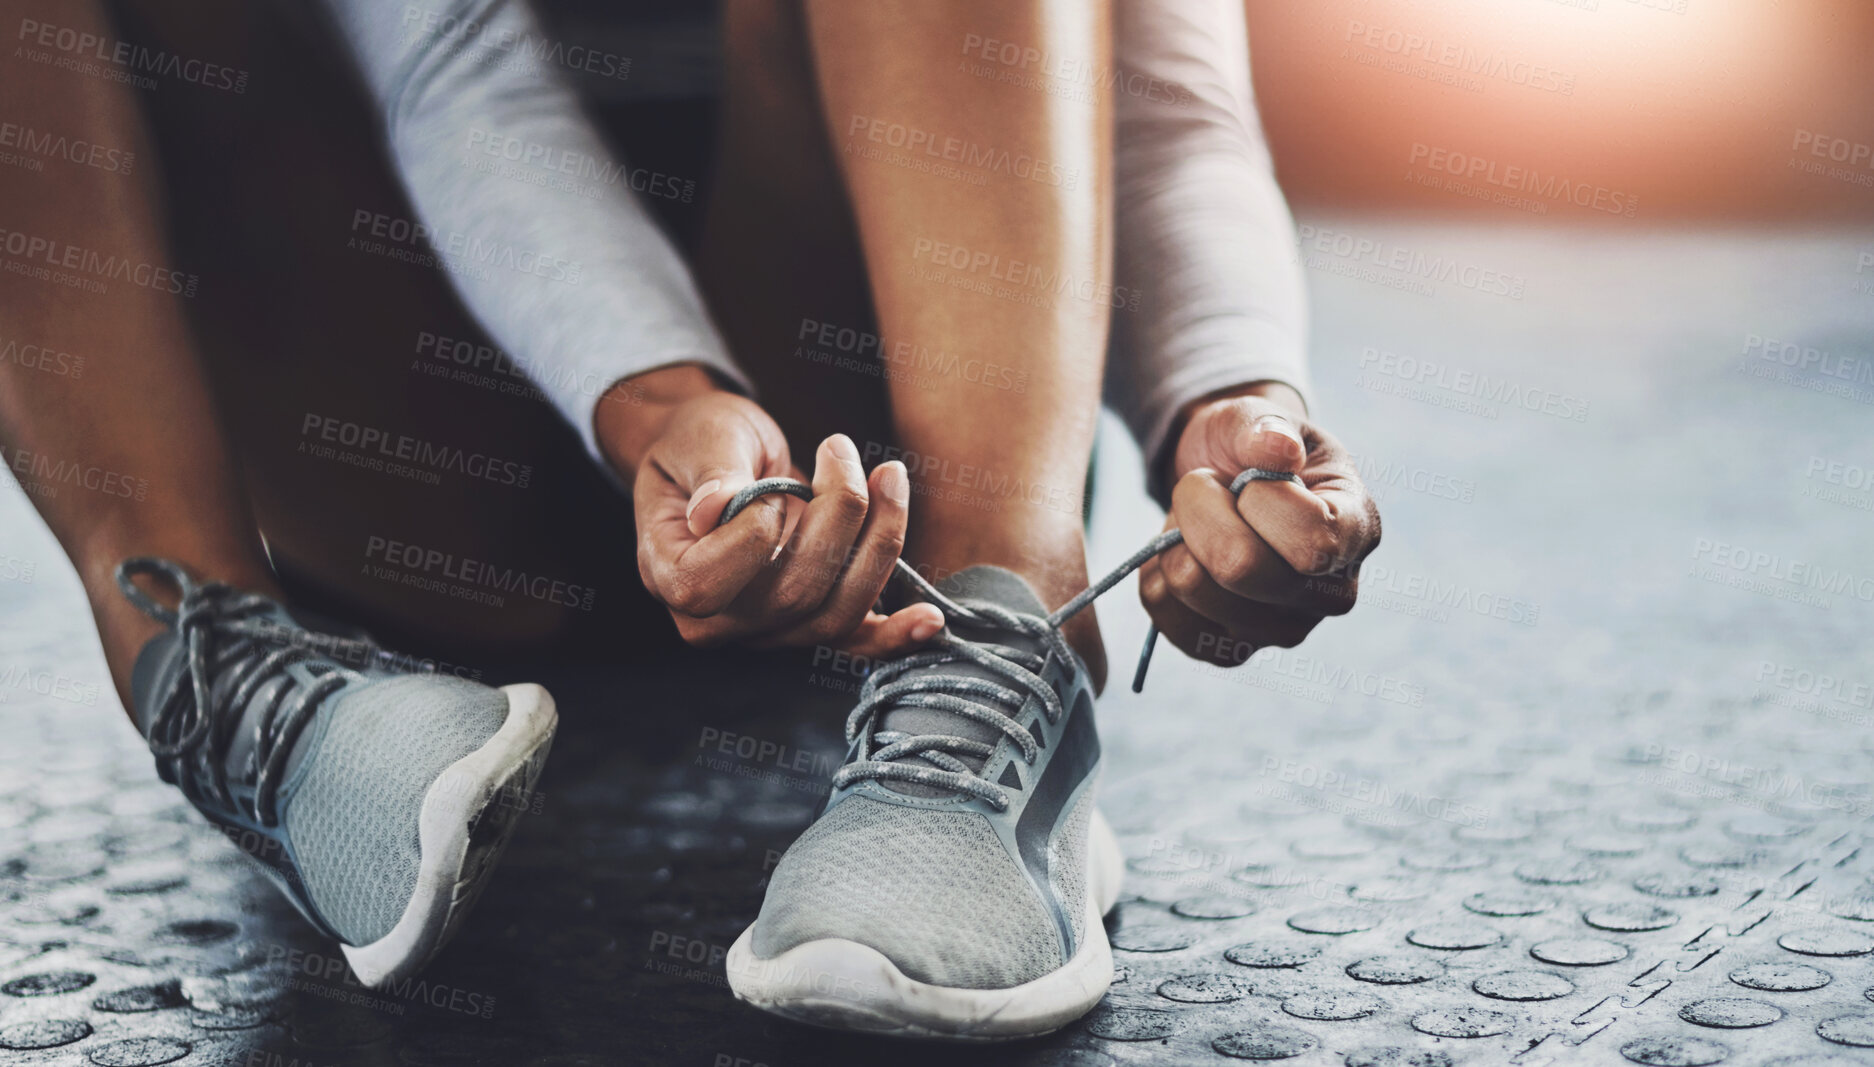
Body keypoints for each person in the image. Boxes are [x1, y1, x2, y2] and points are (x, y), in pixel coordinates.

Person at [0, 0, 1378, 1038]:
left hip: (866, 455)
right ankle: (212, 653)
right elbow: (448, 57)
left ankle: (1000, 625)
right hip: (419, 436)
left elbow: (1166, 98)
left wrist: (1234, 399)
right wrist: (661, 408)